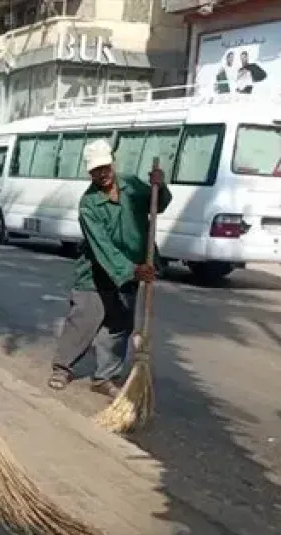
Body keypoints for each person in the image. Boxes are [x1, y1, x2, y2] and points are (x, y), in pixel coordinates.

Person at [47, 139, 172, 397]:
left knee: (118, 324)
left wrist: (160, 186)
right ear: (89, 172)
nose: (101, 174)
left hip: (133, 265)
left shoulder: (132, 184)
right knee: (83, 319)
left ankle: (105, 377)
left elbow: (157, 203)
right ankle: (62, 368)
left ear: (112, 163)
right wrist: (131, 270)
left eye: (105, 167)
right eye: (95, 171)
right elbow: (101, 245)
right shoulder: (89, 204)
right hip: (96, 270)